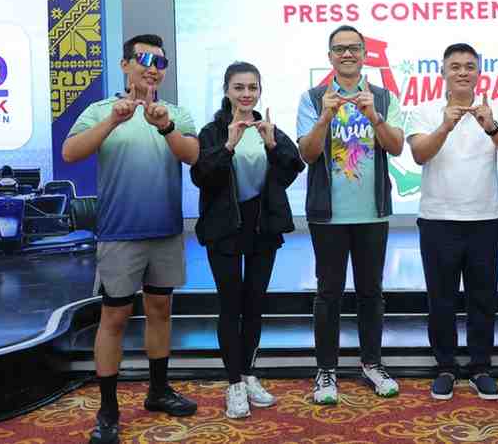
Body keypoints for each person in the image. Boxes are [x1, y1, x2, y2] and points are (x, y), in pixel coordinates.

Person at [62, 34, 199, 444]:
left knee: (160, 311)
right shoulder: (101, 110)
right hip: (120, 233)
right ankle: (108, 409)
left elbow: (192, 156)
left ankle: (158, 391)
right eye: (142, 58)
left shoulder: (175, 113)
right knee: (115, 319)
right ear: (125, 65)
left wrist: (166, 126)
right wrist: (112, 122)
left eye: (159, 61)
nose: (151, 66)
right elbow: (71, 152)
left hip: (165, 230)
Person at [296, 25, 405, 405]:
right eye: (339, 49)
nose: (347, 54)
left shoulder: (385, 98)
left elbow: (396, 148)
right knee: (328, 293)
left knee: (371, 292)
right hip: (327, 215)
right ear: (329, 57)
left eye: (354, 48)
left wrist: (374, 116)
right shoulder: (312, 98)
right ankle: (326, 370)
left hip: (372, 213)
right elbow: (306, 155)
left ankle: (372, 364)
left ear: (364, 54)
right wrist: (324, 118)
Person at [406, 43, 498, 401]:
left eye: (469, 66)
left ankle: (481, 367)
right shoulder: (424, 111)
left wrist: (491, 125)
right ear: (442, 72)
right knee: (440, 299)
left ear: (479, 72)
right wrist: (445, 125)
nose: (462, 72)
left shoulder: (495, 108)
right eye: (455, 66)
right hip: (438, 219)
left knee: (482, 297)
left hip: (485, 217)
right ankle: (444, 367)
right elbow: (420, 154)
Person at [190, 62, 304, 418]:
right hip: (224, 228)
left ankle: (249, 374)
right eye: (238, 87)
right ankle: (234, 383)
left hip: (262, 227)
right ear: (226, 90)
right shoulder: (212, 131)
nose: (246, 94)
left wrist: (271, 145)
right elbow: (201, 177)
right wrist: (228, 146)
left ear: (259, 91)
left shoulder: (267, 127)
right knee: (231, 304)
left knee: (254, 304)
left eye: (252, 87)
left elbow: (292, 169)